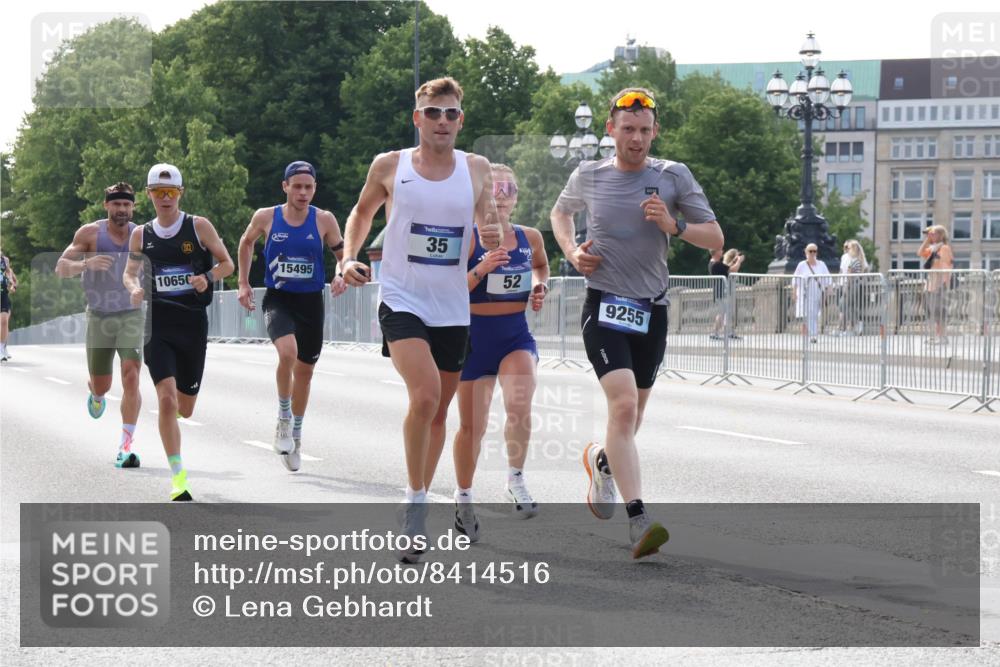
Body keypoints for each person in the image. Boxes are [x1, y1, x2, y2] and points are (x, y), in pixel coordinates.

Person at [550, 87, 723, 559]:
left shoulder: (673, 176)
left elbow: (716, 236)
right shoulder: (588, 174)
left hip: (653, 310)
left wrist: (674, 226)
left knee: (634, 415)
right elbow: (560, 213)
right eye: (628, 130)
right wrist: (571, 252)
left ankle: (601, 462)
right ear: (611, 130)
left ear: (655, 132)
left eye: (645, 131)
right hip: (603, 305)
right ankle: (639, 520)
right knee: (623, 407)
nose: (637, 139)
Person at [341, 77, 501, 562]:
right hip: (402, 298)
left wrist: (495, 234)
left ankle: (422, 495)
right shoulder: (390, 165)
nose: (443, 122)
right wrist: (347, 257)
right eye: (433, 113)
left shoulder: (476, 168)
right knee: (426, 394)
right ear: (418, 119)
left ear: (461, 120)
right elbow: (362, 212)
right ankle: (413, 506)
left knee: (439, 412)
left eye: (451, 114)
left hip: (453, 306)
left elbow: (490, 221)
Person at [123, 164, 234, 501]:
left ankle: (177, 454)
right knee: (166, 399)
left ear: (180, 194)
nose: (165, 198)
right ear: (149, 195)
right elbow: (129, 273)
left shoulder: (198, 227)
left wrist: (208, 278)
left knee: (185, 407)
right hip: (157, 326)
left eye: (171, 192)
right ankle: (178, 478)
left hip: (192, 326)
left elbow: (227, 263)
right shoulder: (141, 234)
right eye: (159, 192)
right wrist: (133, 288)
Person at [451, 163, 549, 541]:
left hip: (514, 337)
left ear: (517, 195)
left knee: (520, 406)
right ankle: (463, 499)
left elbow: (540, 267)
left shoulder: (530, 237)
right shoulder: (467, 237)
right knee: (472, 427)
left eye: (509, 188)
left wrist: (540, 287)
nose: (502, 194)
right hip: (473, 339)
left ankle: (516, 479)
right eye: (494, 188)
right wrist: (482, 268)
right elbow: (448, 289)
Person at [237, 161, 347, 472]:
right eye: (296, 186)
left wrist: (341, 274)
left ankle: (296, 435)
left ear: (314, 189)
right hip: (279, 299)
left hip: (311, 302)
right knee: (288, 352)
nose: (302, 192)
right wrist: (244, 283)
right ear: (285, 186)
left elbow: (343, 254)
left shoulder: (324, 220)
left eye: (308, 187)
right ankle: (283, 418)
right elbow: (246, 243)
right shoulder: (266, 216)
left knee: (306, 372)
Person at [55, 182, 144, 467]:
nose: (122, 210)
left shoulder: (141, 234)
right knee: (102, 385)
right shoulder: (90, 233)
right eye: (116, 204)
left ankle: (126, 447)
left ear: (133, 207)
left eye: (127, 205)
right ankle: (95, 392)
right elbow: (60, 267)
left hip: (131, 313)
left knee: (131, 374)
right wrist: (85, 264)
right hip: (99, 315)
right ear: (106, 206)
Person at [918, 225, 953, 345]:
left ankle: (942, 336)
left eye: (932, 234)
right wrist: (927, 240)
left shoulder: (944, 248)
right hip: (930, 284)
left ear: (940, 235)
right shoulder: (933, 249)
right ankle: (934, 336)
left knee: (939, 311)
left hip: (939, 284)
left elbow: (946, 266)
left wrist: (943, 284)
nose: (930, 236)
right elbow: (919, 252)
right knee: (930, 311)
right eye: (929, 234)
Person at [793, 243, 832, 343]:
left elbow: (828, 279)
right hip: (804, 294)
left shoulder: (821, 264)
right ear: (806, 252)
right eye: (810, 251)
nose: (813, 253)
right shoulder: (801, 265)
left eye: (815, 251)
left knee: (814, 315)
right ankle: (811, 336)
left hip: (817, 293)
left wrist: (827, 293)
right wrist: (794, 293)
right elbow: (795, 280)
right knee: (806, 315)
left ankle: (812, 335)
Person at [709, 248, 744, 340]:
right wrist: (739, 261)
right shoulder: (716, 264)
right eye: (720, 250)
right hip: (722, 291)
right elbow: (733, 269)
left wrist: (733, 260)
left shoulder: (714, 264)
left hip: (720, 291)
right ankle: (718, 333)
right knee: (724, 313)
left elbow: (726, 268)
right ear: (716, 252)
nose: (722, 252)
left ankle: (723, 332)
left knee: (723, 312)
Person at [840, 239, 868, 336]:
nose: (847, 250)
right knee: (853, 306)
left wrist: (846, 288)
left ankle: (847, 329)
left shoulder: (853, 261)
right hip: (857, 285)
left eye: (849, 248)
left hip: (851, 285)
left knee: (846, 306)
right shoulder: (860, 260)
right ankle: (854, 328)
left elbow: (849, 275)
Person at [0, 248, 17, 362]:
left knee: (4, 321)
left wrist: (12, 284)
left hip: (3, 293)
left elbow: (9, 273)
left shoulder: (4, 260)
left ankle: (2, 347)